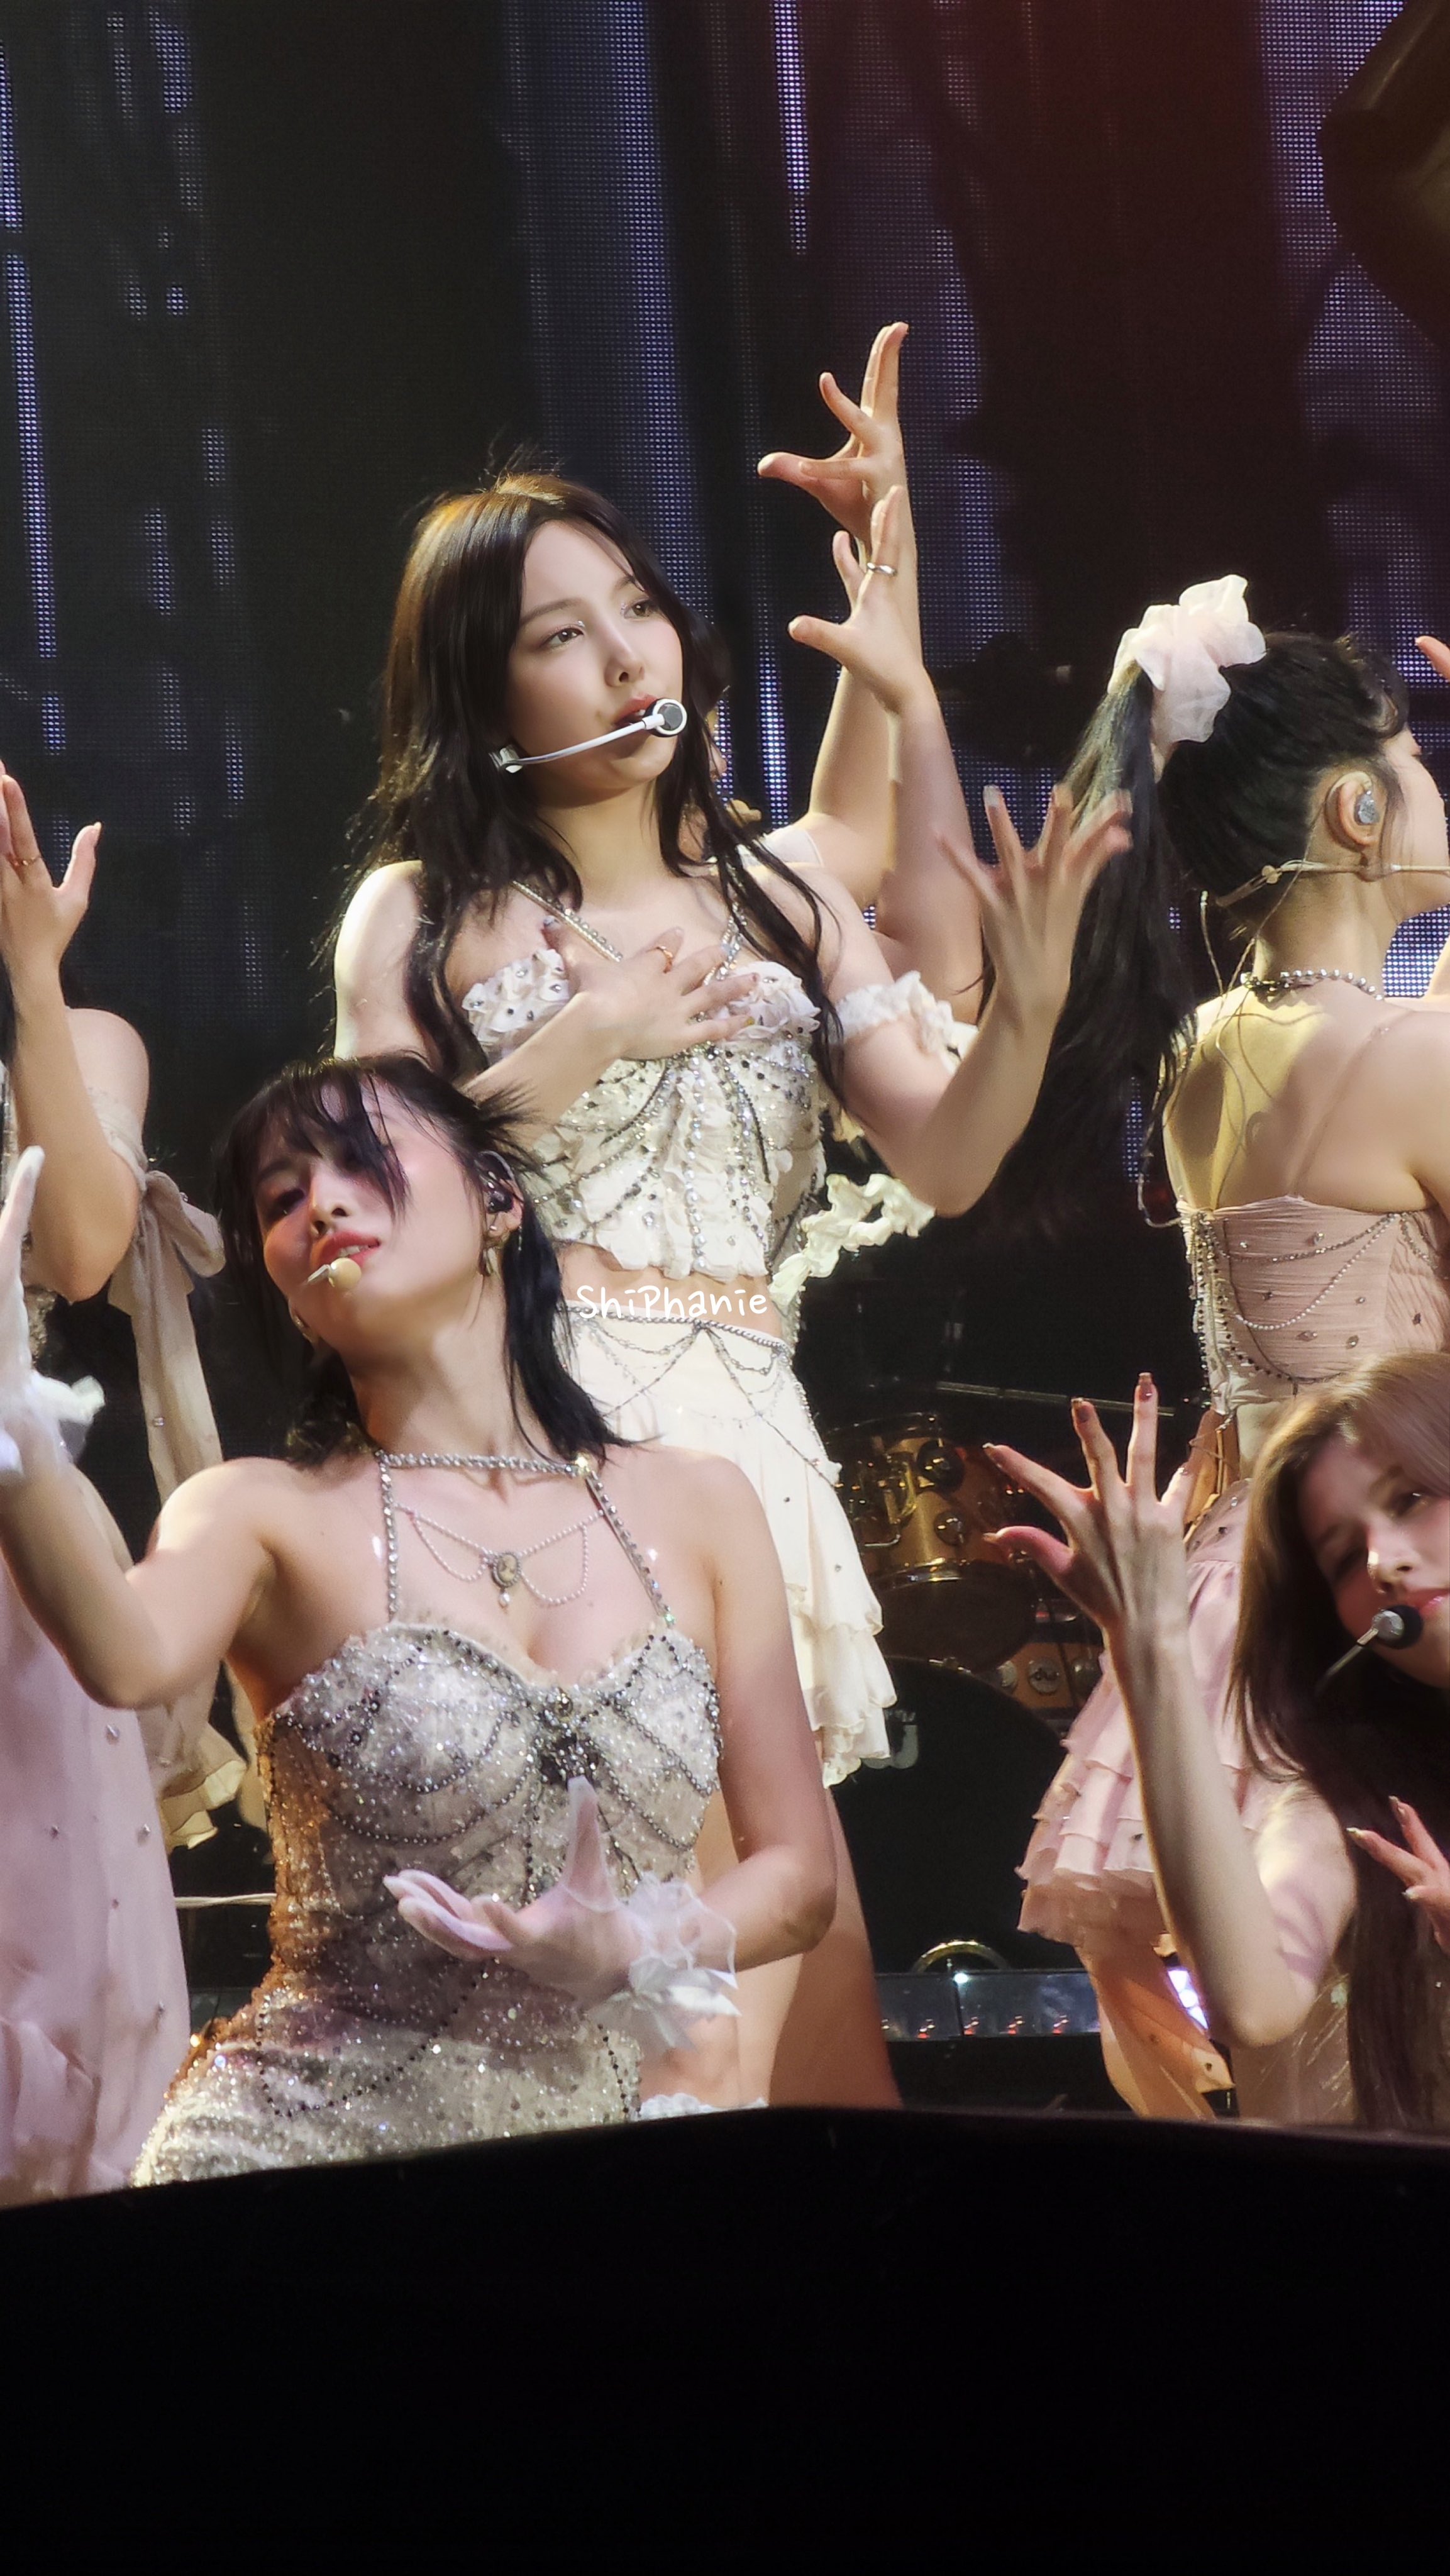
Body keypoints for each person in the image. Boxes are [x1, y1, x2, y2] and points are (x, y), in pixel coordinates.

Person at [329, 423, 1130, 2103]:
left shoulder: (779, 902)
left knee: (804, 2029)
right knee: (668, 2029)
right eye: (562, 635)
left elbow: (948, 1156)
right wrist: (582, 1040)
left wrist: (1036, 1000)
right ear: (482, 694)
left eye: (637, 608)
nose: (629, 657)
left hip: (753, 1457)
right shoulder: (418, 916)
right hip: (548, 1454)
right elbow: (366, 1207)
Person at [0, 1055, 839, 2177]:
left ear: (498, 1197)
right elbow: (120, 1652)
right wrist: (12, 1430)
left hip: (589, 2169)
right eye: (282, 1198)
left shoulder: (700, 1503)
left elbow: (799, 1875)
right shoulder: (261, 1513)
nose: (320, 1205)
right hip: (294, 2162)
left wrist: (642, 1942)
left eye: (361, 1159)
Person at [1010, 582, 1450, 2116]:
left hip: (1245, 1580)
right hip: (1402, 1556)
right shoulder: (1404, 1060)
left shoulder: (1205, 1050)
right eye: (1414, 760)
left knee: (1302, 2053)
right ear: (1353, 810)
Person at [993, 1355, 1450, 2130]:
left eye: (1410, 1498)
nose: (1383, 1562)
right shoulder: (1350, 1801)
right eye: (1344, 1557)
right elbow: (1250, 2002)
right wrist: (1148, 1643)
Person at [0, 769, 235, 2203]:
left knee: (59, 1990)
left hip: (16, 1536)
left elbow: (83, 1249)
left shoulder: (84, 1035)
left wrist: (29, 973)